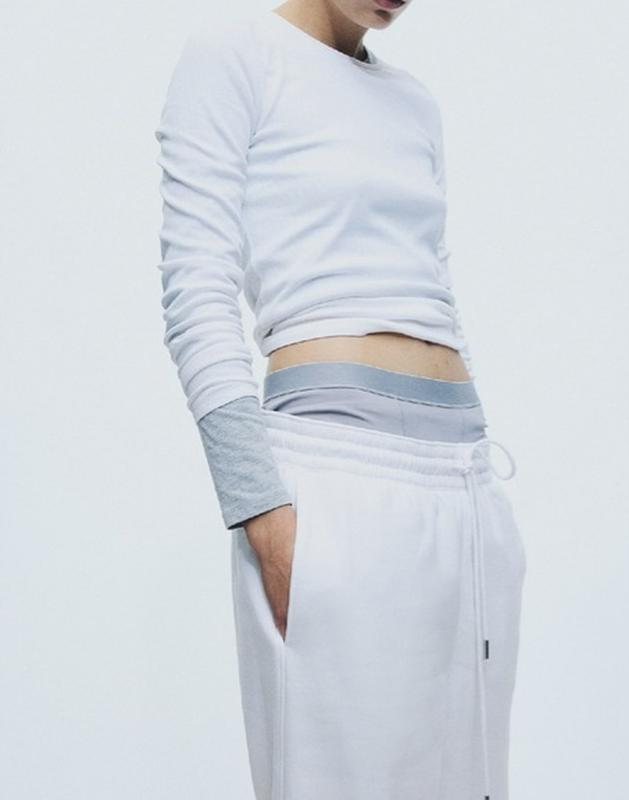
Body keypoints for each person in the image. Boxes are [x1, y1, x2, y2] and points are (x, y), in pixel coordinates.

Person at [154, 2, 527, 798]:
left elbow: (431, 287)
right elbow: (195, 290)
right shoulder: (235, 52)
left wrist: (487, 495)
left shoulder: (413, 103)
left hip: (464, 485)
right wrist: (262, 515)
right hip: (335, 480)